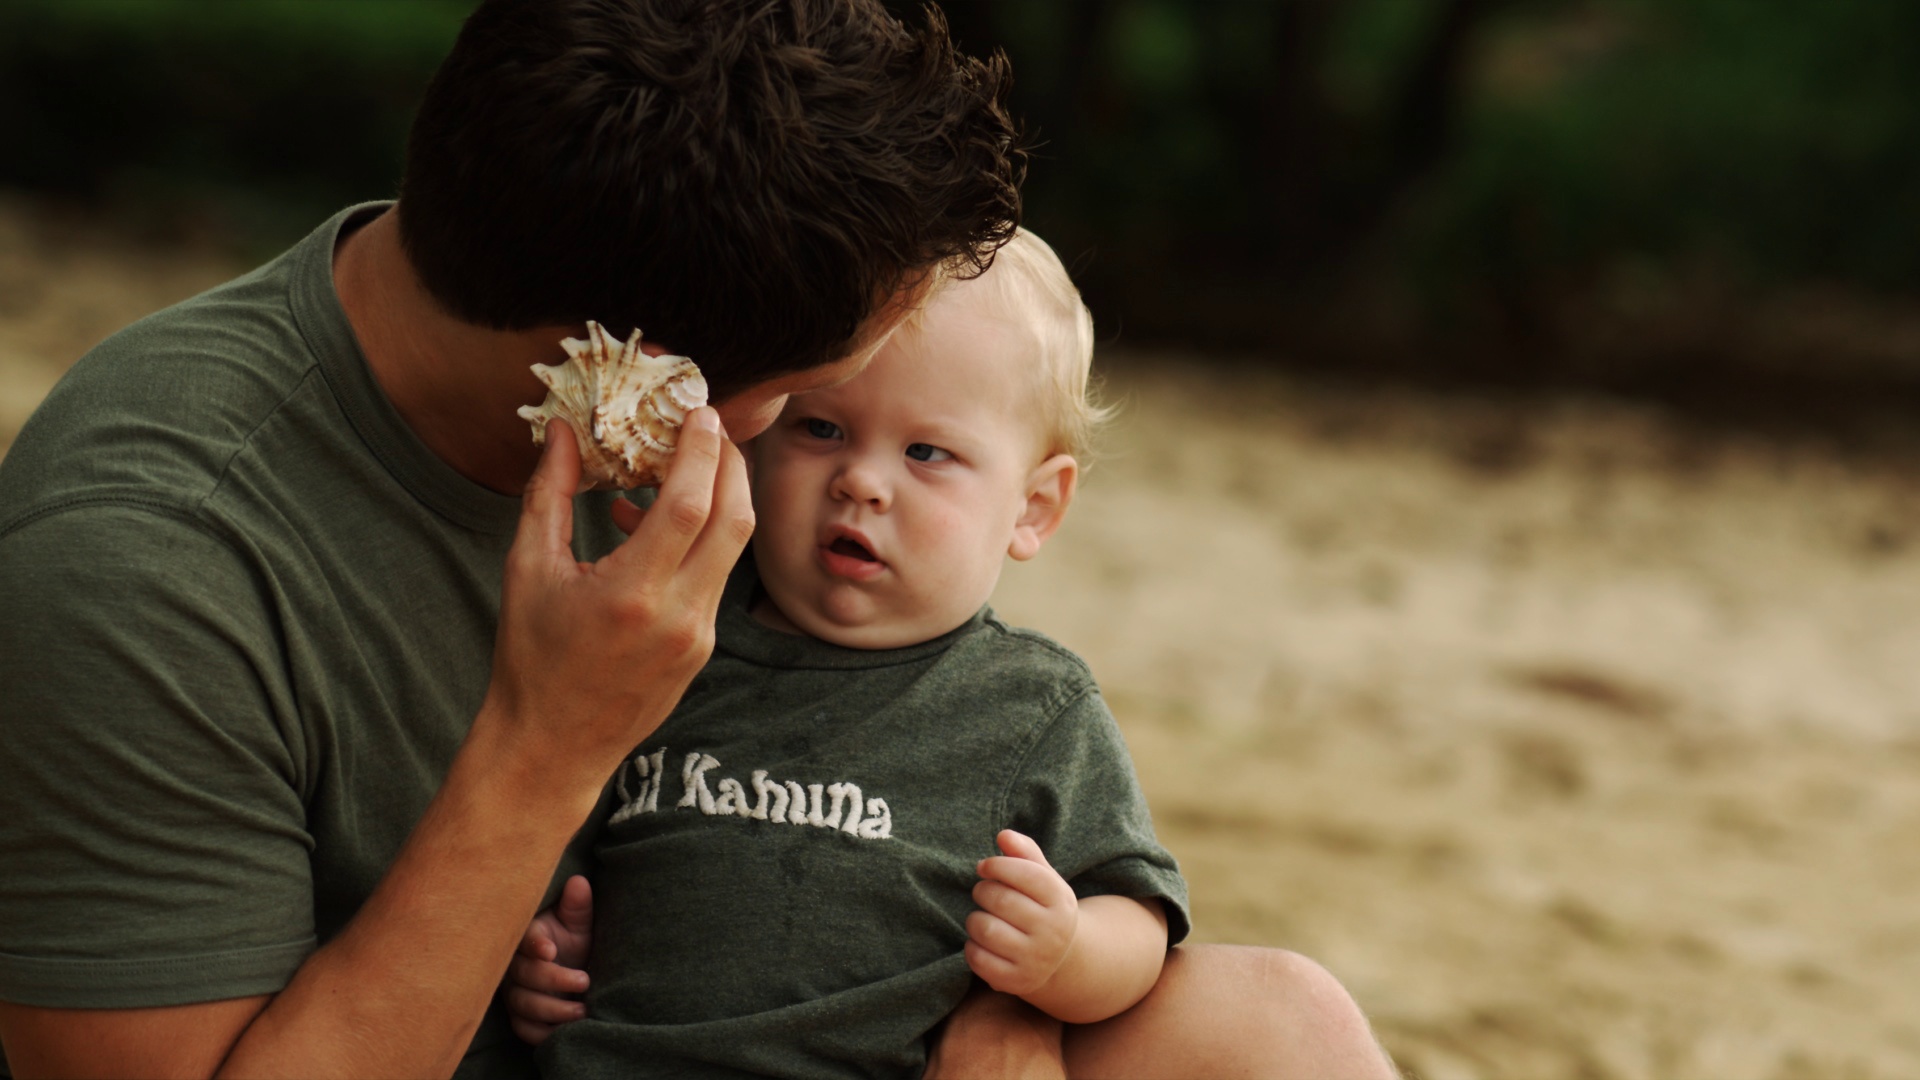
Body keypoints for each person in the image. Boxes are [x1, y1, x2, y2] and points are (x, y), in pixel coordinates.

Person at [0, 1, 1021, 1075]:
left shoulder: (662, 369)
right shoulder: (139, 571)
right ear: (635, 376)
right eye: (812, 398)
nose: (825, 444)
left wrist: (1007, 1021)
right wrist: (548, 746)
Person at [506, 234, 1401, 1079]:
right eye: (822, 430)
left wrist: (1066, 956)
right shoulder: (669, 642)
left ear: (1033, 510)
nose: (862, 479)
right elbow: (554, 845)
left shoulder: (1028, 705)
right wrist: (546, 958)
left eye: (927, 452)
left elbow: (1139, 913)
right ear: (759, 434)